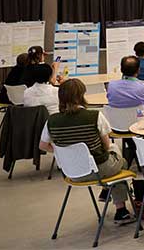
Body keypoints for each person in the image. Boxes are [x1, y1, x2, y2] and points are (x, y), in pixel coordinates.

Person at [39, 79, 134, 224]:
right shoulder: (95, 116)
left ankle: (108, 190)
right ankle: (120, 209)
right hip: (98, 169)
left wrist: (63, 153)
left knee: (114, 158)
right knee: (120, 159)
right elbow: (106, 146)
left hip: (72, 173)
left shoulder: (51, 121)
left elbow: (43, 145)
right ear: (82, 95)